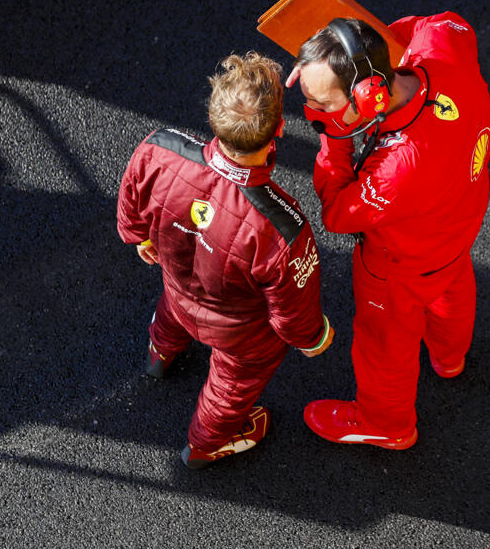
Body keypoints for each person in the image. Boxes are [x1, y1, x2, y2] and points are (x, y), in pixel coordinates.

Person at [286, 13, 490, 450]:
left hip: (400, 264)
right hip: (458, 226)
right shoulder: (444, 49)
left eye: (322, 104)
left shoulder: (396, 171)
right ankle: (449, 359)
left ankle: (386, 423)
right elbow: (441, 23)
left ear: (371, 95)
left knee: (383, 343)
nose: (312, 113)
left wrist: (333, 134)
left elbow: (339, 214)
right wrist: (340, 58)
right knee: (452, 288)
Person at [117, 52, 334, 468]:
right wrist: (315, 338)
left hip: (177, 290)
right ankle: (205, 444)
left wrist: (139, 238)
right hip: (241, 334)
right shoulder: (283, 228)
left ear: (214, 116)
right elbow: (293, 315)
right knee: (231, 386)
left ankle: (160, 356)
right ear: (279, 130)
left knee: (172, 312)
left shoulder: (159, 150)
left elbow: (131, 203)